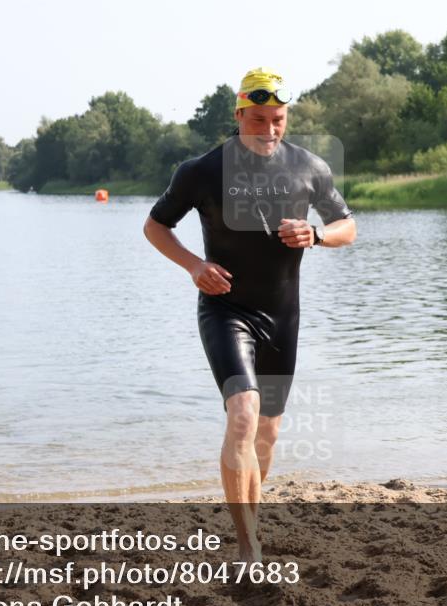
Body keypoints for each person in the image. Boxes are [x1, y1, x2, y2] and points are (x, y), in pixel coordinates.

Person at [143, 68, 356, 560]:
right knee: (242, 415)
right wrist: (194, 266)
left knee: (268, 431)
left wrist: (316, 235)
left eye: (278, 119)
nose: (269, 129)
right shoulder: (201, 171)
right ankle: (247, 547)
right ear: (239, 114)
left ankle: (251, 524)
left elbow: (347, 226)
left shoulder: (310, 167)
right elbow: (155, 227)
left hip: (282, 316)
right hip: (226, 309)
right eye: (258, 119)